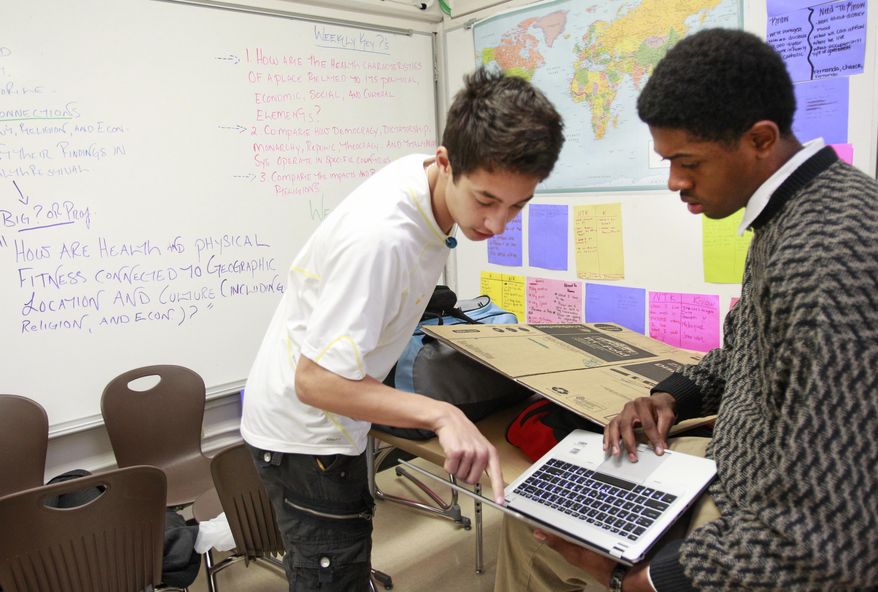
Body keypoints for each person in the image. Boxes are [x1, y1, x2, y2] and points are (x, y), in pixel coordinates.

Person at [494, 28, 878, 591]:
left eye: (687, 161)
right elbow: (748, 350)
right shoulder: (797, 211)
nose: (675, 181)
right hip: (734, 461)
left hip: (763, 521)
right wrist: (670, 395)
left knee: (539, 534)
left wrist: (649, 579)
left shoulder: (823, 256)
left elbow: (826, 540)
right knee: (550, 495)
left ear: (760, 140)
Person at [241, 67, 564, 591]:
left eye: (518, 206)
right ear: (446, 162)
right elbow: (316, 381)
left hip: (331, 417)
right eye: (485, 200)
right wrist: (441, 412)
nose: (498, 224)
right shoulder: (384, 241)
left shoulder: (420, 181)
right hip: (304, 432)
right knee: (332, 569)